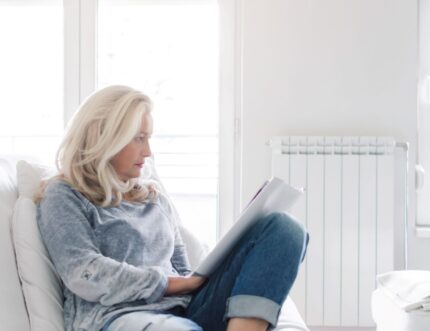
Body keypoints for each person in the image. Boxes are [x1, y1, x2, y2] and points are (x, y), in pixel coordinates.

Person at [36, 85, 309, 331]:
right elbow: (84, 272)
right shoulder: (64, 194)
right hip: (120, 315)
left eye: (149, 138)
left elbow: (182, 271)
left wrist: (212, 271)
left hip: (186, 308)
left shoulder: (153, 197)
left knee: (285, 228)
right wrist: (167, 283)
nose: (148, 152)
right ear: (104, 136)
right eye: (139, 138)